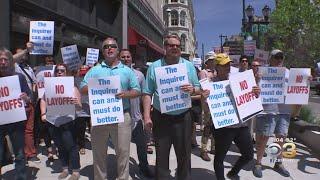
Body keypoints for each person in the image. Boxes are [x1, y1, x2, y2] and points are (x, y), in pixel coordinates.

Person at [80, 37, 140, 180]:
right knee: (99, 152)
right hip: (100, 116)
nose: (109, 48)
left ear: (118, 50)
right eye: (106, 46)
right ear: (103, 51)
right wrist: (97, 87)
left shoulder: (127, 71)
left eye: (112, 46)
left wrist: (125, 94)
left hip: (122, 117)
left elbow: (137, 90)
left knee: (123, 152)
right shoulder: (94, 70)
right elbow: (82, 87)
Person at [143, 34, 201, 180]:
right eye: (171, 45)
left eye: (177, 45)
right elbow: (147, 92)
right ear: (165, 48)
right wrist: (147, 116)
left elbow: (198, 88)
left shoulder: (188, 66)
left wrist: (192, 90)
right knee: (161, 154)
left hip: (183, 117)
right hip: (161, 117)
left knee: (184, 154)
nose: (174, 48)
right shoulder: (155, 67)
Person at [202, 53, 260, 180]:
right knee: (220, 158)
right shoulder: (210, 84)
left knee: (248, 155)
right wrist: (204, 98)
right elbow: (207, 109)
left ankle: (233, 173)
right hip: (223, 127)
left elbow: (250, 97)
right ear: (217, 67)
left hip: (240, 124)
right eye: (224, 65)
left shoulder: (237, 79)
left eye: (229, 64)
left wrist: (256, 92)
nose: (228, 67)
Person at [253, 49, 292, 178]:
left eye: (281, 57)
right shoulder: (262, 71)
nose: (279, 60)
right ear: (271, 58)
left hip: (284, 111)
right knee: (264, 137)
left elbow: (298, 86)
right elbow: (254, 89)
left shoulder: (288, 72)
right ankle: (258, 163)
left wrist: (306, 80)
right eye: (276, 57)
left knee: (281, 137)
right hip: (268, 110)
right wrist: (256, 80)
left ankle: (278, 163)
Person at [40, 63, 82, 180]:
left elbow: (79, 108)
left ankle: (75, 171)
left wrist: (76, 103)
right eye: (57, 70)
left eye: (62, 71)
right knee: (60, 146)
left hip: (68, 122)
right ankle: (64, 168)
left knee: (71, 147)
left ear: (67, 73)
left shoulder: (72, 87)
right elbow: (43, 100)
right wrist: (43, 113)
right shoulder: (50, 87)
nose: (59, 72)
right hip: (53, 122)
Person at [120, 49, 154, 178]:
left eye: (128, 56)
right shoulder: (114, 75)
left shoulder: (139, 75)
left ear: (131, 58)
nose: (126, 59)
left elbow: (145, 94)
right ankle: (122, 171)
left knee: (142, 145)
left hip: (136, 117)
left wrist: (147, 113)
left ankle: (144, 167)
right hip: (121, 118)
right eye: (123, 57)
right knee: (122, 148)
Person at [0, 47, 33, 180]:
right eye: (0, 60)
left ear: (11, 62)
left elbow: (30, 96)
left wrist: (26, 98)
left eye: (5, 59)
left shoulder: (19, 77)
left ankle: (21, 177)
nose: (2, 62)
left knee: (19, 153)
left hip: (16, 122)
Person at [14, 42, 41, 164]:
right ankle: (21, 154)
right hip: (17, 104)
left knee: (29, 130)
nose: (23, 56)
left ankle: (31, 153)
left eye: (24, 54)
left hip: (29, 101)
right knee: (19, 130)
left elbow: (34, 83)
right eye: (20, 54)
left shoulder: (29, 68)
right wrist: (26, 50)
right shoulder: (14, 66)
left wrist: (34, 96)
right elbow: (12, 58)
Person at [198, 52, 216, 161]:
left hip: (216, 103)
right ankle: (203, 150)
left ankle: (213, 147)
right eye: (212, 60)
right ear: (207, 61)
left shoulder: (216, 72)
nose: (214, 62)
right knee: (207, 127)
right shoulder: (203, 72)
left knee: (216, 126)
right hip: (207, 104)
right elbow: (203, 87)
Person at [74, 65, 91, 155]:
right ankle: (81, 146)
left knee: (93, 128)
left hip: (91, 107)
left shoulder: (92, 79)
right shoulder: (75, 80)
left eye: (85, 74)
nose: (83, 76)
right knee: (81, 129)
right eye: (82, 74)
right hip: (80, 108)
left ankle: (95, 144)